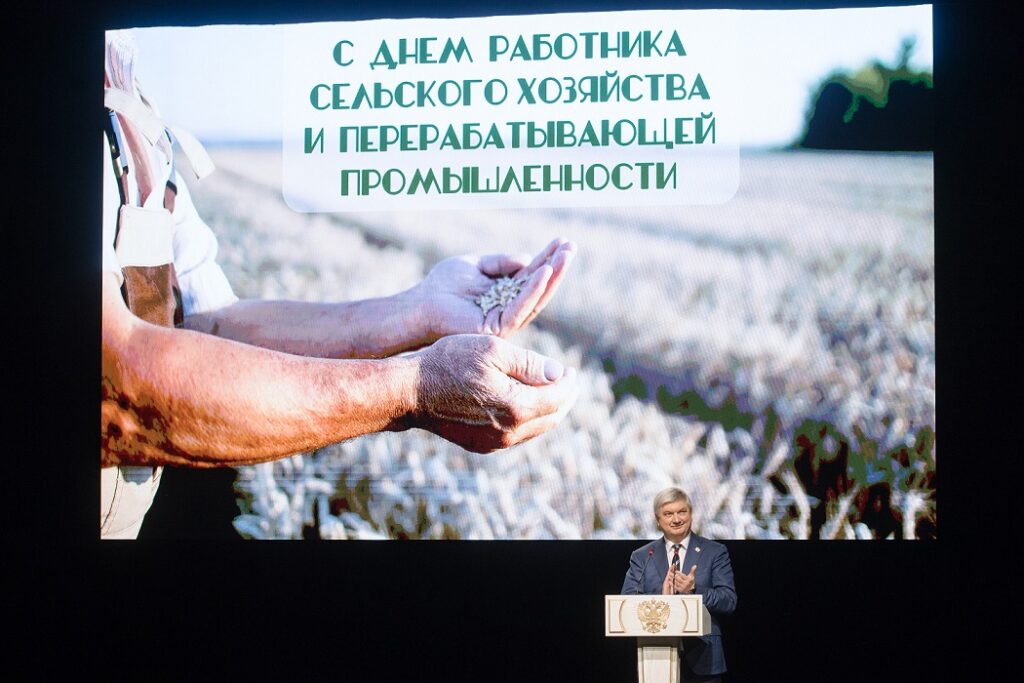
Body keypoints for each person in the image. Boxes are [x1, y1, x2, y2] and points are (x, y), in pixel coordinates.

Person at [100, 31, 579, 538]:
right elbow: (115, 387)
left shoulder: (129, 96)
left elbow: (205, 324)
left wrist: (418, 311)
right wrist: (414, 389)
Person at [621, 487, 737, 682]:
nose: (676, 519)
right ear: (658, 520)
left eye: (682, 512)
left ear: (691, 514)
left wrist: (694, 590)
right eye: (668, 514)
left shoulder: (715, 552)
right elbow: (627, 603)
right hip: (656, 657)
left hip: (704, 658)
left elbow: (729, 601)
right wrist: (661, 599)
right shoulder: (642, 556)